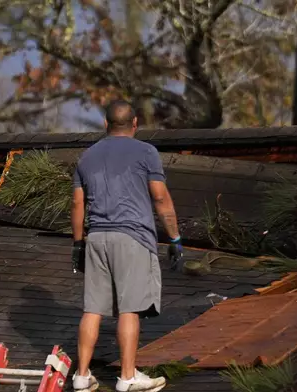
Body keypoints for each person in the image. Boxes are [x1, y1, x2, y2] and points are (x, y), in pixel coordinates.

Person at [70, 100, 183, 392]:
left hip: (96, 238)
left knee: (92, 308)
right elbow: (160, 198)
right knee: (129, 309)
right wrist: (174, 238)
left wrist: (78, 245)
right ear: (135, 124)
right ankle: (128, 376)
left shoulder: (87, 157)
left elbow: (77, 203)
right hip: (132, 237)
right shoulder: (146, 152)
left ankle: (81, 376)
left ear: (106, 125)